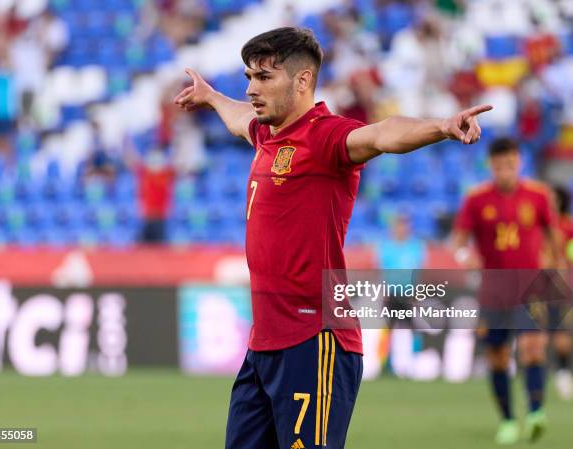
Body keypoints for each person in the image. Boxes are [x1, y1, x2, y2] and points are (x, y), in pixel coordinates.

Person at [175, 27, 491, 449]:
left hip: (315, 340)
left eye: (264, 78)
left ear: (303, 80)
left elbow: (381, 134)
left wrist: (440, 126)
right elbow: (239, 121)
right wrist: (212, 97)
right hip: (264, 345)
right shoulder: (267, 134)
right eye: (249, 77)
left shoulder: (324, 136)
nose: (251, 88)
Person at [452, 137, 564, 445]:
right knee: (498, 356)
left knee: (532, 348)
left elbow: (553, 238)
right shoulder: (476, 200)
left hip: (530, 288)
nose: (506, 171)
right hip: (494, 291)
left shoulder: (538, 196)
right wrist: (466, 257)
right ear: (491, 165)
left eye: (511, 164)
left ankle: (536, 413)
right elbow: (459, 241)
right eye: (500, 165)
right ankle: (508, 420)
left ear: (520, 162)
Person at [550, 185, 573, 400]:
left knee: (561, 335)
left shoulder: (567, 226)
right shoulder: (537, 224)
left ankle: (563, 373)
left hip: (561, 286)